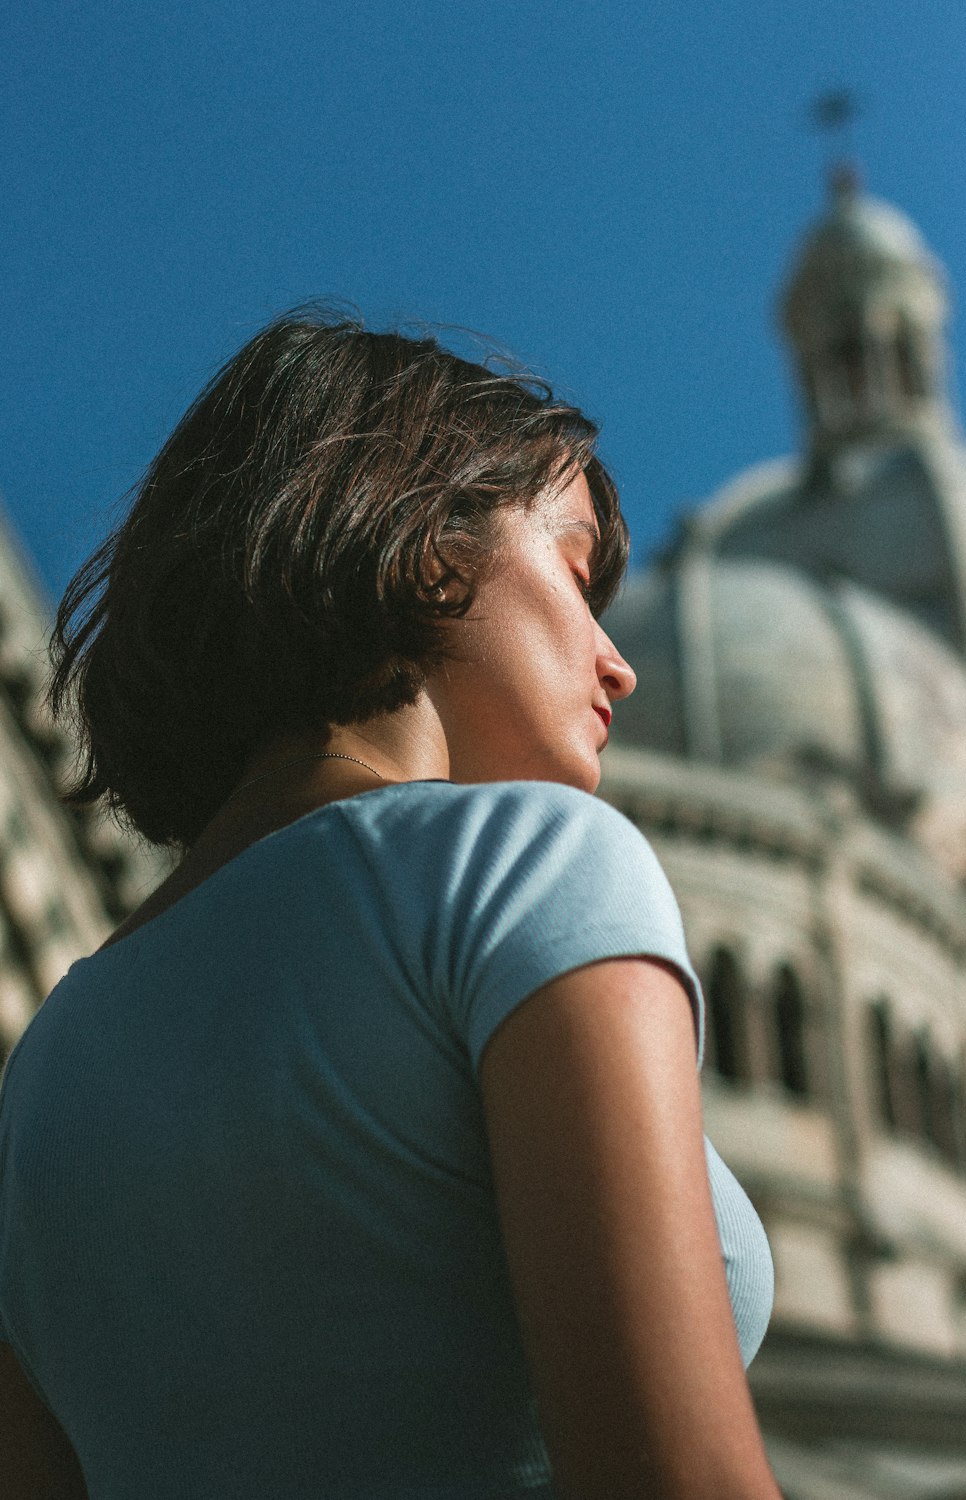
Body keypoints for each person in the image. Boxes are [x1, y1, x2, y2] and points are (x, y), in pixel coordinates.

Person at [0, 312, 781, 1500]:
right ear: (430, 550)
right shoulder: (531, 862)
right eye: (575, 574)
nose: (616, 662)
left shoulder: (43, 1069)